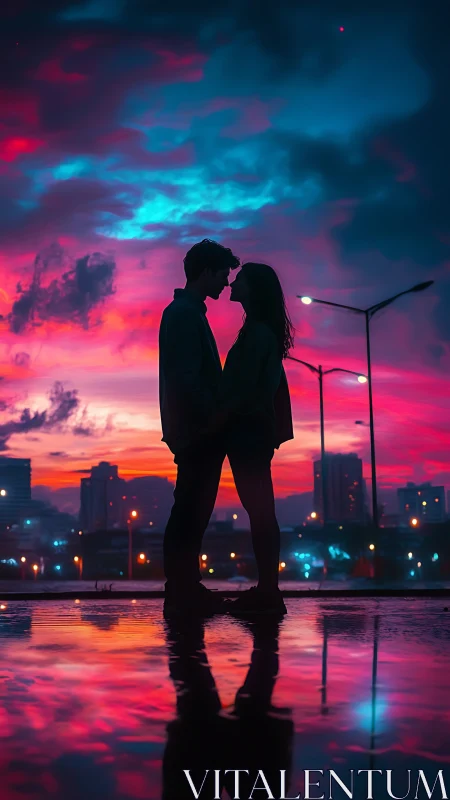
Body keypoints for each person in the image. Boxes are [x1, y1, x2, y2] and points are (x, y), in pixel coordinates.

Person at [159, 238, 240, 617]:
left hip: (197, 428)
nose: (226, 283)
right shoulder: (184, 315)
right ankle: (182, 590)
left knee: (192, 510)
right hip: (198, 429)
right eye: (223, 274)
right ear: (205, 272)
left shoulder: (189, 313)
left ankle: (184, 588)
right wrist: (215, 418)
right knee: (190, 510)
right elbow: (187, 379)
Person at [211, 262, 294, 616]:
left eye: (240, 278)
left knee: (260, 511)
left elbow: (244, 390)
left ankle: (268, 593)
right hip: (250, 430)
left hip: (249, 431)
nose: (232, 282)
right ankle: (267, 590)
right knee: (260, 510)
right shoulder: (257, 331)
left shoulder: (259, 334)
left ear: (254, 289)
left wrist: (216, 421)